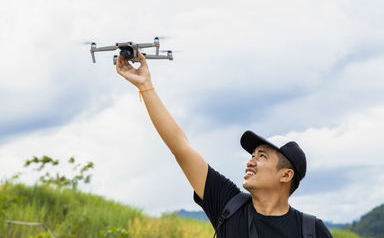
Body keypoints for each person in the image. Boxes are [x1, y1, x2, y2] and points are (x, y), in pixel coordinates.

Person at [115, 52, 333, 238]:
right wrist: (146, 85)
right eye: (253, 155)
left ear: (285, 175)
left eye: (262, 156)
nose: (251, 161)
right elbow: (181, 148)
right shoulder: (229, 204)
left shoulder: (312, 231)